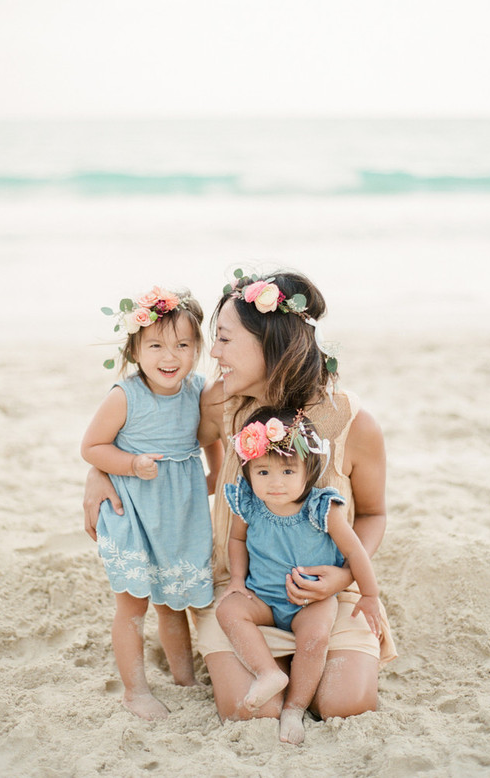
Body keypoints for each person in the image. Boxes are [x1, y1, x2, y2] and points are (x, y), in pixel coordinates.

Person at [83, 269, 397, 727]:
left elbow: (374, 513)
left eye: (225, 340)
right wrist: (97, 471)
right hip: (242, 590)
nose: (214, 353)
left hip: (328, 594)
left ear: (270, 344)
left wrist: (344, 575)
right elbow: (144, 432)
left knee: (343, 705)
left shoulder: (353, 422)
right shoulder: (218, 403)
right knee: (252, 713)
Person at [81, 285, 223, 721]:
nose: (170, 355)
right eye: (156, 344)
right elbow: (92, 447)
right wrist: (130, 463)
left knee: (173, 600)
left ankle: (185, 679)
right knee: (133, 604)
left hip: (178, 512)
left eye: (183, 344)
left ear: (198, 348)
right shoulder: (126, 396)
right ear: (135, 350)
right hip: (132, 509)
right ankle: (135, 690)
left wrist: (214, 471)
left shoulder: (197, 390)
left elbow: (210, 434)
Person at [216, 406, 381, 744]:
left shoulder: (322, 508)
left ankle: (294, 707)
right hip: (263, 596)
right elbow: (237, 540)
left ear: (309, 469)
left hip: (311, 599)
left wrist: (370, 594)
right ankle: (268, 674)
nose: (275, 483)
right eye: (263, 472)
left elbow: (355, 552)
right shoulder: (248, 503)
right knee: (228, 611)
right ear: (248, 472)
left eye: (288, 471)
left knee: (316, 638)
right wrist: (236, 580)